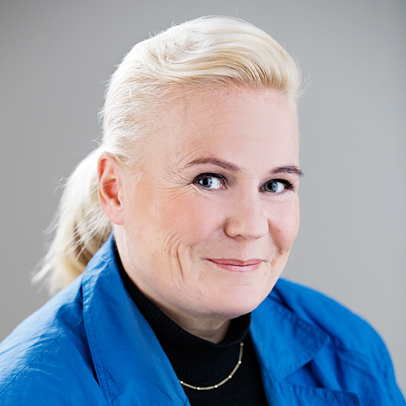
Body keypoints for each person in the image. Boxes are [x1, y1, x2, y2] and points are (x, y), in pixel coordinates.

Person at [0, 16, 404, 405]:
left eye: (275, 184)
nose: (250, 226)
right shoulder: (26, 392)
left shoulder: (350, 352)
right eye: (209, 180)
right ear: (115, 190)